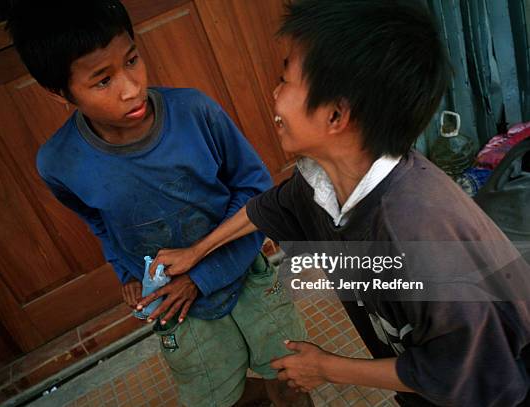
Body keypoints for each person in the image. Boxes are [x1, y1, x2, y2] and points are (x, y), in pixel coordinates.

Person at [140, 0, 530, 405]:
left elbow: (466, 376)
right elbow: (265, 209)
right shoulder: (322, 182)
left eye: (284, 80)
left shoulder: (416, 231)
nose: (273, 95)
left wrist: (325, 367)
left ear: (336, 115)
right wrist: (196, 251)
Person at [5, 1, 312, 406]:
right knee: (217, 396)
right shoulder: (59, 163)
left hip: (244, 273)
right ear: (59, 92)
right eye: (102, 81)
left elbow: (256, 192)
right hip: (177, 308)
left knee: (290, 377)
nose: (131, 87)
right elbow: (100, 222)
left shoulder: (194, 111)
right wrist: (125, 271)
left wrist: (199, 276)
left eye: (132, 60)